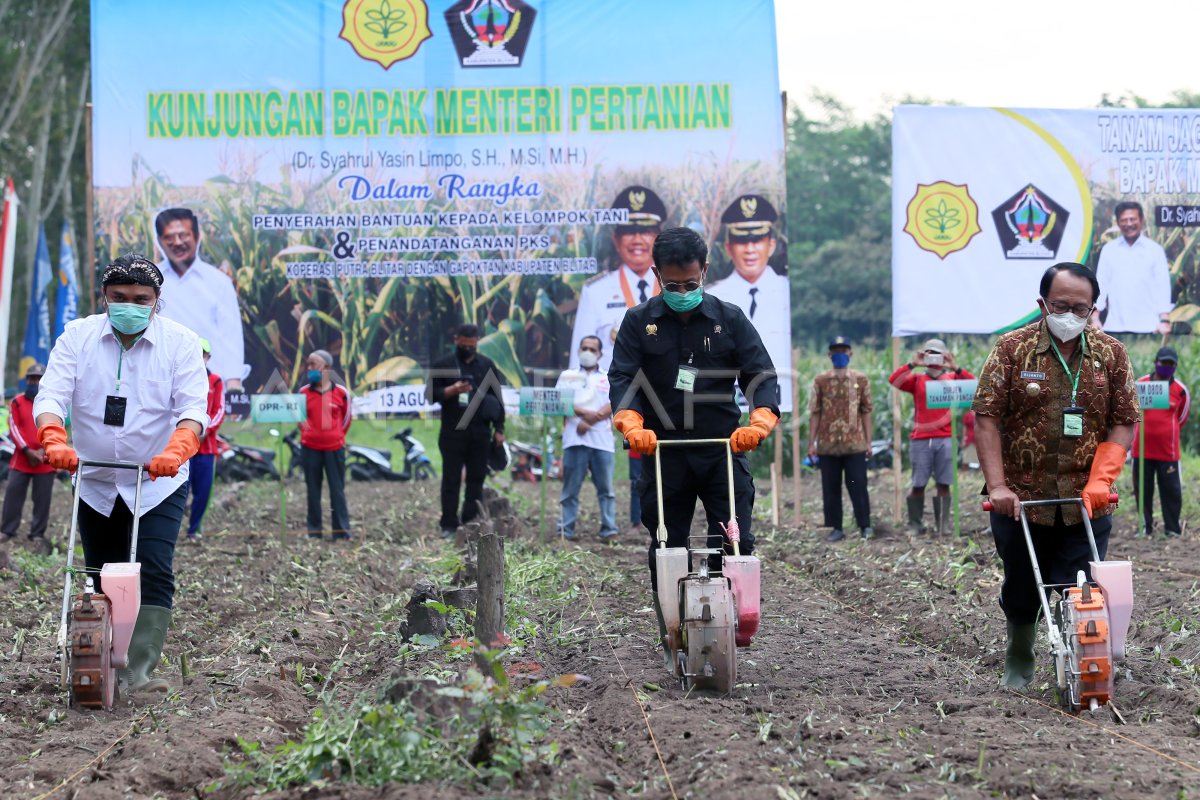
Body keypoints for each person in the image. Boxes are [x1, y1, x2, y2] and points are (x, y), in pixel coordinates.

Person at [34, 253, 209, 694]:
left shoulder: (181, 343)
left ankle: (138, 669)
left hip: (156, 481)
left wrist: (177, 449)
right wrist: (54, 438)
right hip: (93, 479)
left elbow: (192, 410)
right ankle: (98, 656)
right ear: (104, 297)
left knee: (151, 565)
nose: (129, 306)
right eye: (119, 297)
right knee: (99, 572)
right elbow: (51, 394)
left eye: (140, 299)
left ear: (156, 301)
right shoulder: (78, 337)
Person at [608, 226, 779, 654]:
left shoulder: (730, 319)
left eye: (691, 283)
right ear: (657, 274)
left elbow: (759, 373)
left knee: (736, 538)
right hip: (663, 450)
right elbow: (623, 376)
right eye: (672, 284)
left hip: (723, 448)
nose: (682, 291)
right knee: (667, 543)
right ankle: (672, 627)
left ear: (704, 270)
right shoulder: (638, 321)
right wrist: (631, 422)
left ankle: (734, 622)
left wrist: (758, 421)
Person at [973, 261, 1138, 689]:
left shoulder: (1111, 354)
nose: (1070, 315)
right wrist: (998, 486)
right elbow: (987, 417)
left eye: (1080, 308)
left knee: (1080, 586)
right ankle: (1019, 650)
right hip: (1020, 501)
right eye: (1061, 305)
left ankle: (1082, 662)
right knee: (1024, 586)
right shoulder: (1012, 349)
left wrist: (1102, 478)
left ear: (1093, 309)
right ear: (1042, 303)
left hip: (1086, 498)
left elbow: (1125, 419)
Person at [571, 185, 667, 534]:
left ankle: (663, 518)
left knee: (668, 461)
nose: (637, 239)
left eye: (646, 231)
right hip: (612, 400)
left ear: (658, 236)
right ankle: (633, 520)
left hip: (667, 395)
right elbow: (578, 358)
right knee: (629, 465)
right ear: (615, 238)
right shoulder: (597, 291)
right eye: (628, 231)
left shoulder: (676, 289)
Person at [707, 193, 792, 407]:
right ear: (728, 248)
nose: (750, 249)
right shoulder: (712, 298)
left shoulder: (786, 292)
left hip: (778, 392)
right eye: (741, 240)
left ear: (771, 245)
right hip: (723, 398)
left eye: (757, 240)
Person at [888, 338, 976, 536]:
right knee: (918, 483)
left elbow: (973, 386)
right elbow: (894, 379)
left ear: (945, 355)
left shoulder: (953, 377)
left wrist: (956, 366)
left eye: (937, 353)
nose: (933, 357)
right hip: (921, 438)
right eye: (929, 353)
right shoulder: (917, 379)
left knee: (944, 484)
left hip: (946, 438)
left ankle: (942, 525)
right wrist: (914, 363)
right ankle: (915, 525)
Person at [426, 324, 506, 539]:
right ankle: (449, 524)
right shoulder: (443, 364)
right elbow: (430, 395)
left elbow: (498, 400)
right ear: (456, 340)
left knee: (476, 479)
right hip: (453, 432)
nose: (469, 349)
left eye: (472, 345)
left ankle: (470, 521)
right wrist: (453, 390)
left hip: (480, 433)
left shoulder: (487, 365)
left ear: (477, 342)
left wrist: (499, 429)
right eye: (464, 345)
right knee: (451, 479)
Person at [153, 207, 247, 389]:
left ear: (197, 236)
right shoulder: (151, 280)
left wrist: (234, 384)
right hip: (160, 382)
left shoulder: (219, 281)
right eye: (169, 237)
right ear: (159, 242)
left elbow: (231, 335)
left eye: (183, 235)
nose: (177, 242)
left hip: (209, 384)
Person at [809, 336, 873, 541]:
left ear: (850, 354)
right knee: (831, 488)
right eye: (836, 351)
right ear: (829, 355)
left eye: (843, 351)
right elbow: (815, 412)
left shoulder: (860, 380)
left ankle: (865, 526)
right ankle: (835, 527)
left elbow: (866, 411)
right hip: (828, 445)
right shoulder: (820, 380)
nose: (840, 355)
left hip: (854, 445)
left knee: (858, 485)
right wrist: (812, 443)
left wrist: (869, 441)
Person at [555, 335, 617, 542]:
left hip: (602, 442)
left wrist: (591, 420)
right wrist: (587, 415)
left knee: (606, 490)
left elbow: (616, 401)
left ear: (600, 353)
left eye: (592, 349)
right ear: (578, 350)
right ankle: (565, 529)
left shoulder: (609, 377)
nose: (588, 352)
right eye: (585, 348)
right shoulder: (567, 376)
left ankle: (609, 529)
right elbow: (561, 403)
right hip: (575, 440)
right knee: (570, 489)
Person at [1131, 346, 1190, 538]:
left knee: (1171, 491)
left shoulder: (1180, 391)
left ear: (1175, 366)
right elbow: (1132, 410)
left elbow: (1182, 418)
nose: (1166, 366)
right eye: (1163, 362)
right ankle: (1145, 527)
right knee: (1142, 491)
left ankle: (1172, 529)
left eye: (1170, 364)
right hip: (1141, 450)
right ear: (1156, 363)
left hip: (1168, 452)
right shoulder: (1141, 384)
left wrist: (1167, 431)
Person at [1, 364, 56, 554]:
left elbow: (58, 427)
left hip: (45, 461)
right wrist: (27, 450)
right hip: (22, 460)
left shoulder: (52, 403)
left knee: (42, 500)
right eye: (32, 378)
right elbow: (14, 428)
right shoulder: (17, 402)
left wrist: (43, 450)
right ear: (27, 380)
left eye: (39, 378)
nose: (35, 382)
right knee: (13, 496)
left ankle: (37, 534)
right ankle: (8, 530)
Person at [1094, 202, 1172, 334]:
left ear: (1141, 220)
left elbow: (1162, 287)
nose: (1129, 224)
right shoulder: (1109, 250)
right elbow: (1101, 284)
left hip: (1149, 328)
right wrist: (1095, 318)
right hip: (1114, 327)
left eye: (1133, 219)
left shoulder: (1155, 250)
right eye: (1124, 220)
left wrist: (1164, 320)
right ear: (1118, 223)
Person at [299, 349, 352, 540]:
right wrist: (310, 435)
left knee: (337, 490)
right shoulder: (302, 393)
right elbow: (300, 420)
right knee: (312, 490)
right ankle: (314, 531)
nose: (309, 368)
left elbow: (346, 419)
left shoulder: (341, 393)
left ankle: (341, 531)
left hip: (335, 449)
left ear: (327, 367)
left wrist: (335, 436)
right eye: (308, 364)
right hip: (309, 449)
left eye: (313, 364)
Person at [185, 339, 224, 542]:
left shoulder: (216, 381)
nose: (200, 358)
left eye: (204, 354)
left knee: (203, 493)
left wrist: (204, 430)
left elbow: (219, 410)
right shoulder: (182, 377)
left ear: (208, 358)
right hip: (181, 448)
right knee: (178, 492)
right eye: (196, 354)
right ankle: (171, 531)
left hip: (206, 448)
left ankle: (194, 530)